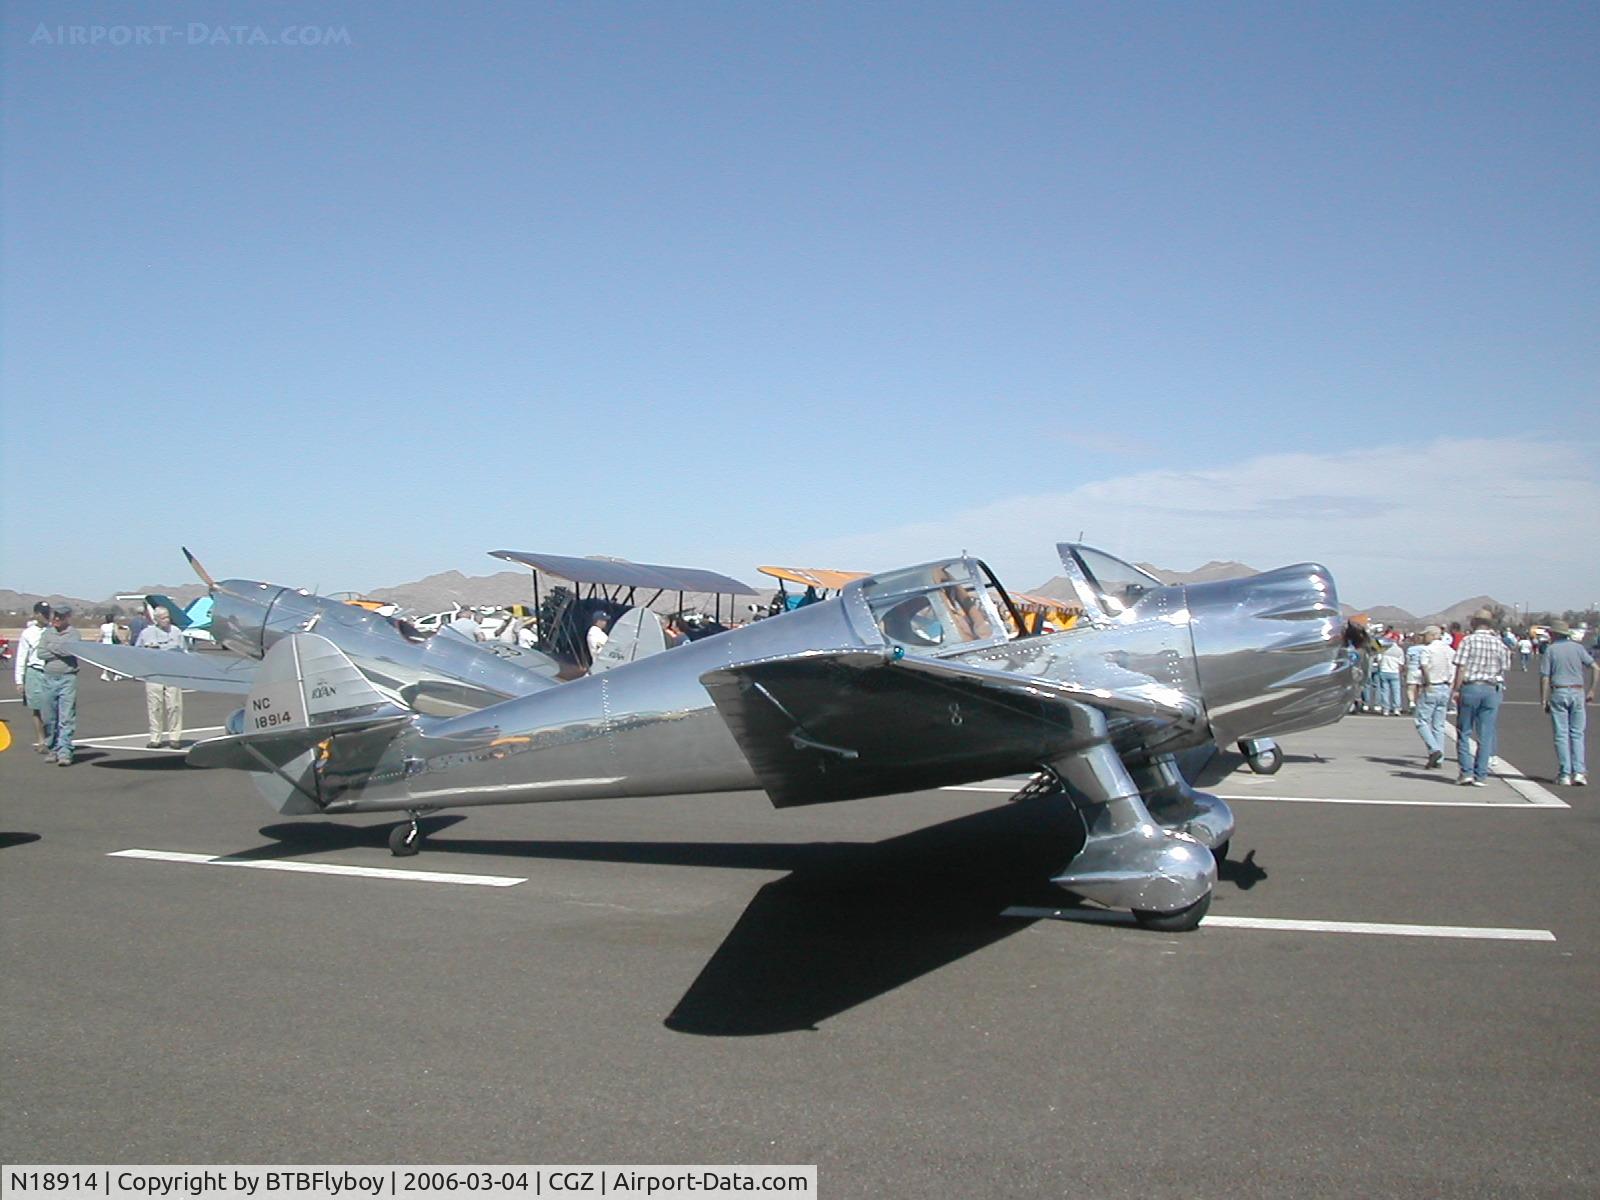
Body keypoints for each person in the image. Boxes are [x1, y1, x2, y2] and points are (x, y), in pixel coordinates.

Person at [1451, 610, 1511, 786]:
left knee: (1464, 731)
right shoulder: (1498, 643)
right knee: (1485, 734)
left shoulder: (1468, 641)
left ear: (1474, 623)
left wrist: (1456, 689)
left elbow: (1461, 667)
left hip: (1471, 687)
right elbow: (1505, 666)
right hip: (1491, 688)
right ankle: (1481, 775)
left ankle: (1466, 772)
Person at [1540, 620, 1594, 786]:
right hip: (1577, 691)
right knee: (1577, 733)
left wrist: (1544, 698)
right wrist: (1592, 689)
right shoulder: (1578, 648)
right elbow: (1595, 667)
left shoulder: (1551, 650)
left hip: (1559, 690)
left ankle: (1565, 773)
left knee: (1561, 734)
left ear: (1554, 634)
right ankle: (1579, 771)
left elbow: (1545, 676)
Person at [134, 606, 187, 748]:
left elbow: (184, 652)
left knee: (174, 706)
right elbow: (136, 652)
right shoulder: (147, 633)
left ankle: (175, 737)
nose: (167, 620)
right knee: (154, 706)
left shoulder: (176, 632)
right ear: (156, 619)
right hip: (154, 674)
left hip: (172, 674)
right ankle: (155, 737)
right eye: (163, 618)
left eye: (168, 617)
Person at [35, 605, 81, 766]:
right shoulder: (47, 633)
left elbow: (70, 651)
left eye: (60, 617)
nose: (56, 619)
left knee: (66, 716)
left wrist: (53, 648)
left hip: (67, 678)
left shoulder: (73, 634)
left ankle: (64, 750)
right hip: (49, 678)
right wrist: (59, 649)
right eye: (55, 616)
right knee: (49, 716)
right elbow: (41, 653)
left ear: (67, 618)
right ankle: (52, 747)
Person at [1413, 625, 1455, 769]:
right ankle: (1439, 758)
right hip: (1445, 687)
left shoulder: (1428, 650)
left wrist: (1427, 682)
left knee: (1421, 720)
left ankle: (1434, 749)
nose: (1423, 638)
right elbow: (1453, 669)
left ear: (1432, 635)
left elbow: (1424, 666)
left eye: (1424, 635)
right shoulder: (1449, 650)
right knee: (1439, 724)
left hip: (1433, 685)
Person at [13, 602, 51, 752]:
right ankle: (41, 740)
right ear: (36, 615)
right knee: (36, 708)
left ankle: (52, 739)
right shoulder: (28, 633)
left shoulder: (53, 631)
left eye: (48, 612)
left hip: (50, 672)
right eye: (43, 613)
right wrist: (19, 680)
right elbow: (21, 657)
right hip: (34, 672)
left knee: (52, 708)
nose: (46, 616)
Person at [1376, 636, 1404, 715]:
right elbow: (1401, 663)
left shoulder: (1383, 649)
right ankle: (1396, 708)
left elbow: (1379, 660)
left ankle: (1386, 709)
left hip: (1384, 671)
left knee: (1385, 691)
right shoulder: (1399, 650)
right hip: (1394, 672)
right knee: (1396, 691)